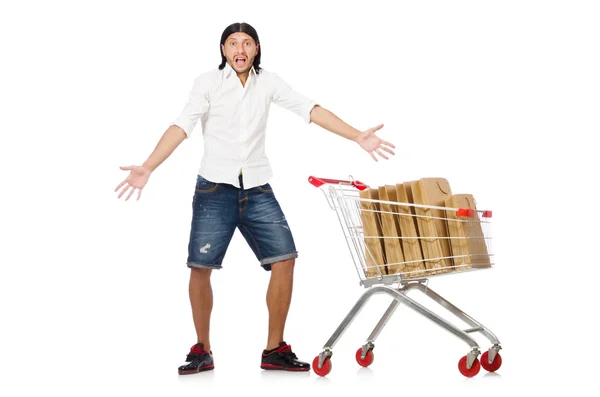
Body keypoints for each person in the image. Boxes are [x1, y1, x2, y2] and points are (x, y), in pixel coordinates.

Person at [114, 22, 395, 374]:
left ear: (257, 49)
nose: (240, 49)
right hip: (214, 189)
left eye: (247, 42)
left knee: (285, 258)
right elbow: (181, 126)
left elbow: (311, 109)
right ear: (223, 50)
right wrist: (148, 167)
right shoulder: (207, 83)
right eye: (233, 43)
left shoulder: (269, 82)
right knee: (200, 268)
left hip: (258, 188)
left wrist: (357, 136)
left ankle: (274, 349)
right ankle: (202, 349)